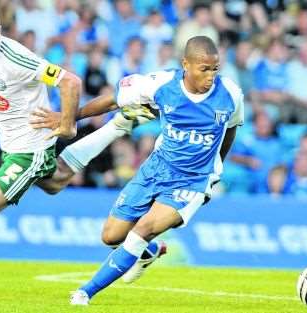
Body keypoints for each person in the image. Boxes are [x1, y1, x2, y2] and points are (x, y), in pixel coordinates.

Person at [0, 5, 154, 301]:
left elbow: (70, 81)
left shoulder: (15, 57)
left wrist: (67, 123)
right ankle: (121, 125)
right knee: (55, 181)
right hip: (13, 149)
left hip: (29, 151)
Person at [69, 36, 244, 305]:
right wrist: (71, 117)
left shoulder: (230, 94)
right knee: (111, 236)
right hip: (156, 169)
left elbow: (231, 129)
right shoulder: (161, 84)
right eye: (204, 69)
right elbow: (114, 100)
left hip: (192, 181)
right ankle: (149, 252)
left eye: (214, 69)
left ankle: (85, 292)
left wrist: (213, 170)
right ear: (186, 64)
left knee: (144, 228)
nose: (210, 76)